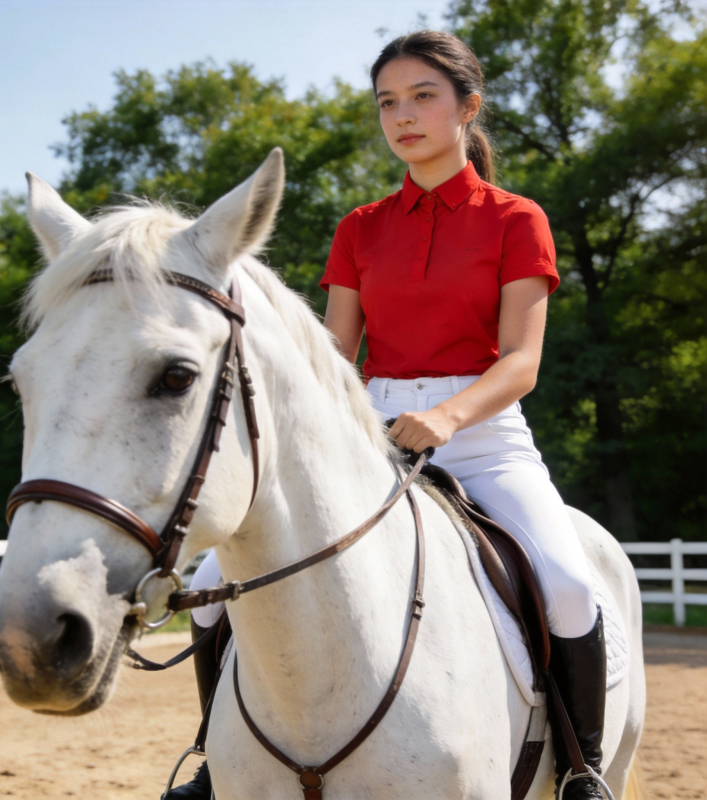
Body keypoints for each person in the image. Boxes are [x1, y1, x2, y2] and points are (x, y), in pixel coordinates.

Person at [169, 29, 607, 800]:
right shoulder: (361, 228)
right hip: (367, 432)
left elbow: (522, 362)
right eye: (387, 103)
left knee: (569, 585)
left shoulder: (516, 219)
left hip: (483, 437)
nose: (402, 116)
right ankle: (213, 760)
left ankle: (580, 770)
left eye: (422, 97)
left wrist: (446, 417)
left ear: (468, 108)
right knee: (216, 582)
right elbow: (333, 355)